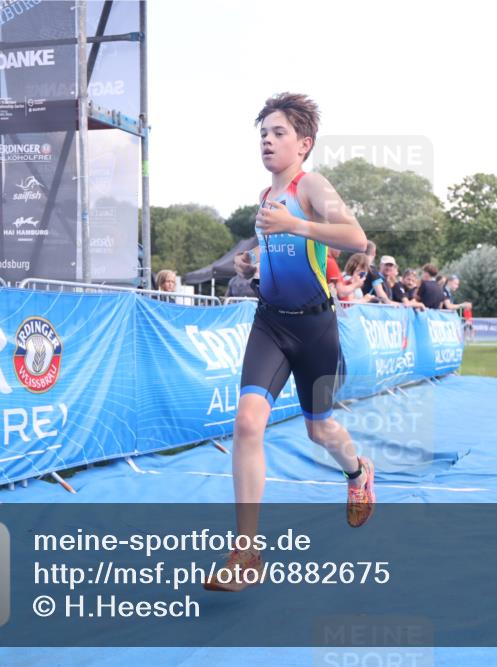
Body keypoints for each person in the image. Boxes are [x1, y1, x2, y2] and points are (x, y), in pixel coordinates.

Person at [205, 93, 374, 592]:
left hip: (316, 328)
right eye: (263, 133)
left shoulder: (312, 185)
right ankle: (246, 554)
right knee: (247, 423)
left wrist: (296, 224)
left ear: (304, 144)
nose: (267, 140)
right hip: (270, 324)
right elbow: (278, 248)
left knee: (319, 432)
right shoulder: (263, 198)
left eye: (278, 133)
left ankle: (358, 470)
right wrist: (250, 260)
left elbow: (355, 237)